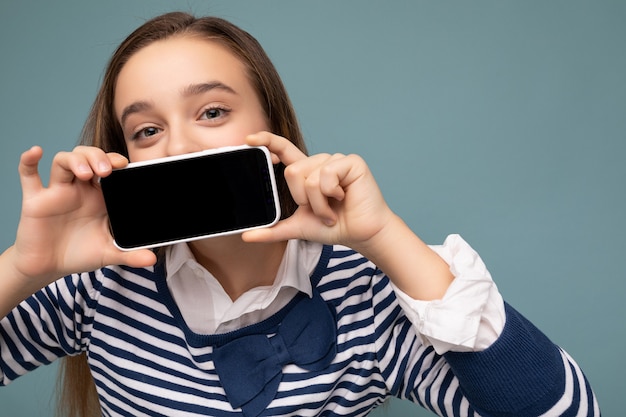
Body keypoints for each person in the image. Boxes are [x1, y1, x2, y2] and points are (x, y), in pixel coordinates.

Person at [0, 11, 599, 417]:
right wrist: (26, 266)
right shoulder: (96, 289)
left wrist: (386, 238)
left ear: (272, 128)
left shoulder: (363, 294)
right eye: (148, 129)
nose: (178, 146)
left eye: (211, 112)